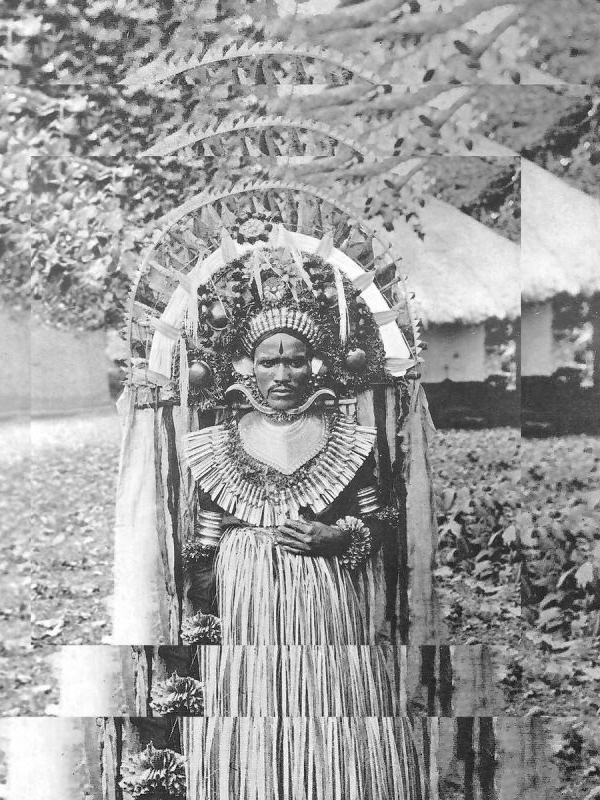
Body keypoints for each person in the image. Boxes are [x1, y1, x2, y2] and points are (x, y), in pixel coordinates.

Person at [178, 245, 424, 798]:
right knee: (257, 708)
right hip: (247, 606)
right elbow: (204, 545)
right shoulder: (216, 445)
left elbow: (383, 522)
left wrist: (339, 536)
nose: (283, 373)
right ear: (248, 368)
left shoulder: (349, 438)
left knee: (329, 709)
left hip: (325, 602)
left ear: (316, 365)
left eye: (296, 360)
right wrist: (210, 617)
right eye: (269, 361)